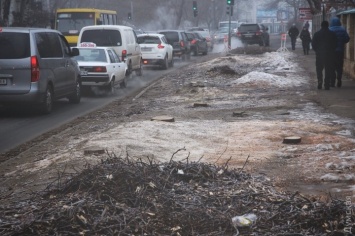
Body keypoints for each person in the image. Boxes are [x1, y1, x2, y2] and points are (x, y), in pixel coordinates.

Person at [311, 21, 337, 90]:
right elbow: (335, 44)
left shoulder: (317, 34)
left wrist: (317, 51)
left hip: (320, 54)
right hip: (329, 54)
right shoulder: (332, 34)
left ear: (321, 26)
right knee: (328, 69)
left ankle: (320, 80)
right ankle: (327, 84)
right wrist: (332, 51)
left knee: (319, 68)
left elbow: (313, 44)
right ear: (328, 25)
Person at [329, 17, 350, 88]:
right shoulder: (343, 30)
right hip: (340, 51)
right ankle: (339, 79)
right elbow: (347, 39)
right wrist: (341, 42)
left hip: (331, 52)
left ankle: (332, 82)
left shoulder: (330, 30)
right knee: (339, 66)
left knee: (331, 67)